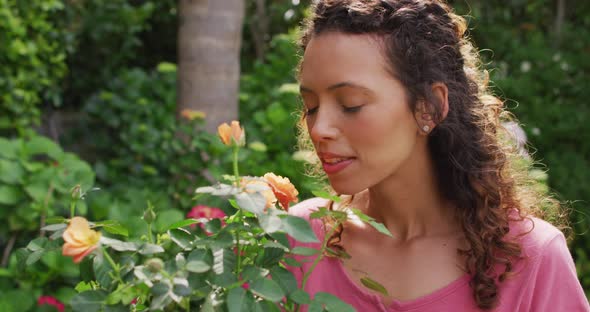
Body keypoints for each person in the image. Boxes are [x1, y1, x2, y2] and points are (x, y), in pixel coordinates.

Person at [286, 0, 590, 311]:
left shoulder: (530, 257)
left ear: (428, 106)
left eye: (350, 104)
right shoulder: (299, 238)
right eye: (311, 106)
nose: (319, 128)